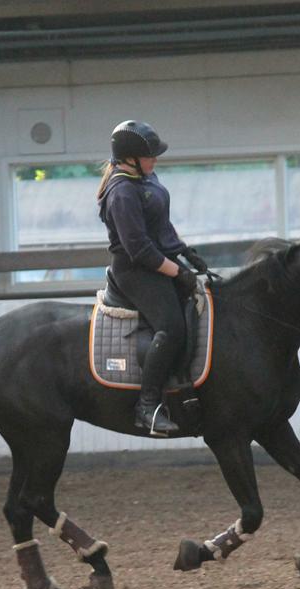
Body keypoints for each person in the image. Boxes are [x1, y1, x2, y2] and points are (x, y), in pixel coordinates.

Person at [97, 120, 209, 437]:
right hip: (135, 270)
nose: (155, 160)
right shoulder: (121, 193)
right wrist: (178, 272)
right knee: (171, 327)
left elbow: (161, 229)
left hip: (159, 261)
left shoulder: (145, 177)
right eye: (150, 156)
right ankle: (147, 407)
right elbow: (140, 249)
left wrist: (185, 252)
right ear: (130, 157)